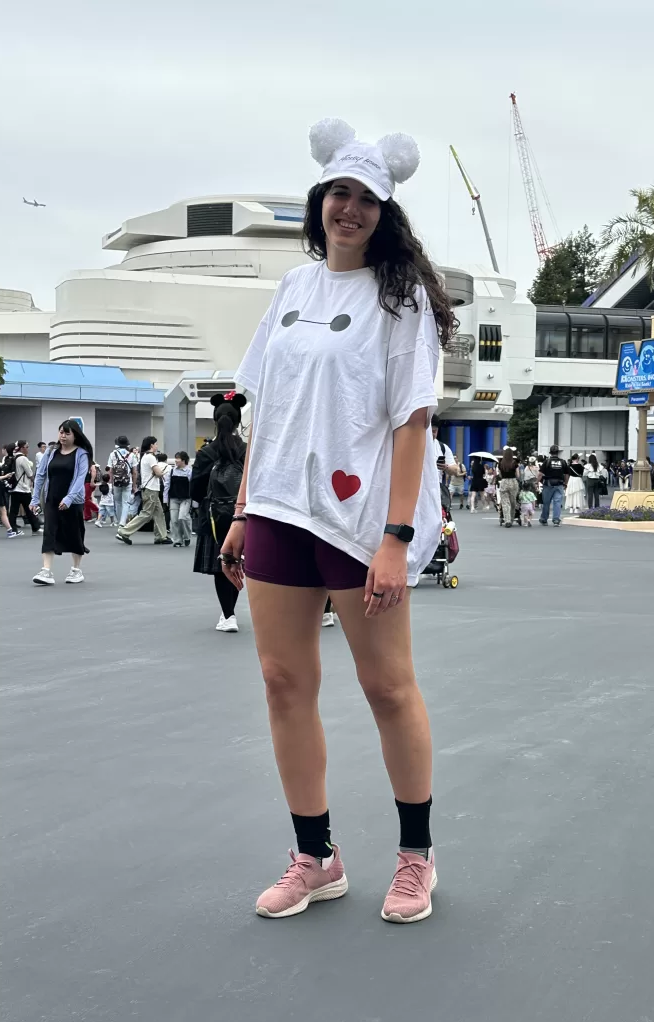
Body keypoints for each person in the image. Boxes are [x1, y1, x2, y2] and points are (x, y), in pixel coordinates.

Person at [220, 119, 454, 924]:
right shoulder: (293, 289)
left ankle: (416, 859)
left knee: (387, 687)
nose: (348, 209)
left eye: (365, 199)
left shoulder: (402, 298)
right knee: (284, 682)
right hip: (280, 507)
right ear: (319, 201)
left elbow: (410, 422)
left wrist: (395, 540)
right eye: (338, 195)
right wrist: (246, 509)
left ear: (386, 213)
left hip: (359, 522)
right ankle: (315, 857)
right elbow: (267, 408)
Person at [192, 395, 247, 631]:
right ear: (238, 421)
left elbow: (194, 489)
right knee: (236, 561)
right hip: (243, 517)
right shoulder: (246, 450)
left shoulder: (206, 452)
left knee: (220, 564)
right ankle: (230, 612)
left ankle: (228, 615)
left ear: (215, 420)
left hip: (213, 517)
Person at [29, 421, 92, 584]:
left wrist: (69, 498)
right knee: (49, 532)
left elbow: (80, 478)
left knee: (75, 534)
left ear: (75, 435)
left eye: (67, 433)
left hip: (73, 500)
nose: (63, 436)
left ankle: (76, 570)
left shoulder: (81, 454)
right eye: (61, 432)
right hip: (52, 499)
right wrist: (35, 499)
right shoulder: (51, 452)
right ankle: (46, 571)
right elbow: (40, 475)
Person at [115, 437, 170, 545]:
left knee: (159, 513)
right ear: (151, 445)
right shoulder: (151, 457)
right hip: (151, 489)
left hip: (148, 489)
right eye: (156, 444)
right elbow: (158, 473)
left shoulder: (144, 457)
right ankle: (124, 531)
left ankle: (161, 536)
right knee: (146, 514)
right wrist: (164, 472)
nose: (157, 446)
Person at [9, 440, 42, 536]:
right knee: (29, 509)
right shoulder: (23, 458)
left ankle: (12, 529)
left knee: (13, 510)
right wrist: (34, 481)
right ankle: (35, 528)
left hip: (15, 487)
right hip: (23, 488)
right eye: (27, 447)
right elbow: (30, 473)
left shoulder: (14, 457)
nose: (28, 449)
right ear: (22, 447)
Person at [106, 435, 137, 527]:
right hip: (128, 481)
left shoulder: (112, 454)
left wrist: (110, 483)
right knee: (126, 502)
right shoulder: (131, 455)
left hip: (116, 481)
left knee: (118, 502)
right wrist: (134, 485)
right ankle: (123, 522)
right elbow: (134, 472)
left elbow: (110, 471)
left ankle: (119, 521)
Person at [164, 451, 193, 548]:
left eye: (178, 458)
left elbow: (192, 486)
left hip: (186, 498)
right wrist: (165, 499)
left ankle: (187, 536)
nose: (176, 460)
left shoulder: (189, 471)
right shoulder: (172, 471)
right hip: (173, 498)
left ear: (184, 460)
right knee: (174, 520)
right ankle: (177, 540)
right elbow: (167, 485)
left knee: (182, 517)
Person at [431, 414, 457, 512]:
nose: (432, 434)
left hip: (436, 492)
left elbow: (455, 470)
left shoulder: (442, 447)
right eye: (429, 431)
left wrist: (446, 468)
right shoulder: (413, 445)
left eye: (434, 431)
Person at [539, 445, 569, 526]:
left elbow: (540, 474)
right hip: (559, 484)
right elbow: (566, 474)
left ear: (550, 453)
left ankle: (544, 519)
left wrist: (536, 482)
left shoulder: (547, 461)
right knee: (557, 502)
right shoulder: (563, 462)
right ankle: (556, 519)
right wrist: (565, 483)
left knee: (546, 502)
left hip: (548, 484)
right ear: (558, 453)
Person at [497, 447, 520, 527]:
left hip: (504, 482)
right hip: (513, 482)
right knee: (513, 502)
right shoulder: (515, 463)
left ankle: (507, 520)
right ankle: (512, 519)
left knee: (505, 502)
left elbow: (500, 475)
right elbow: (518, 475)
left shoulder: (500, 463)